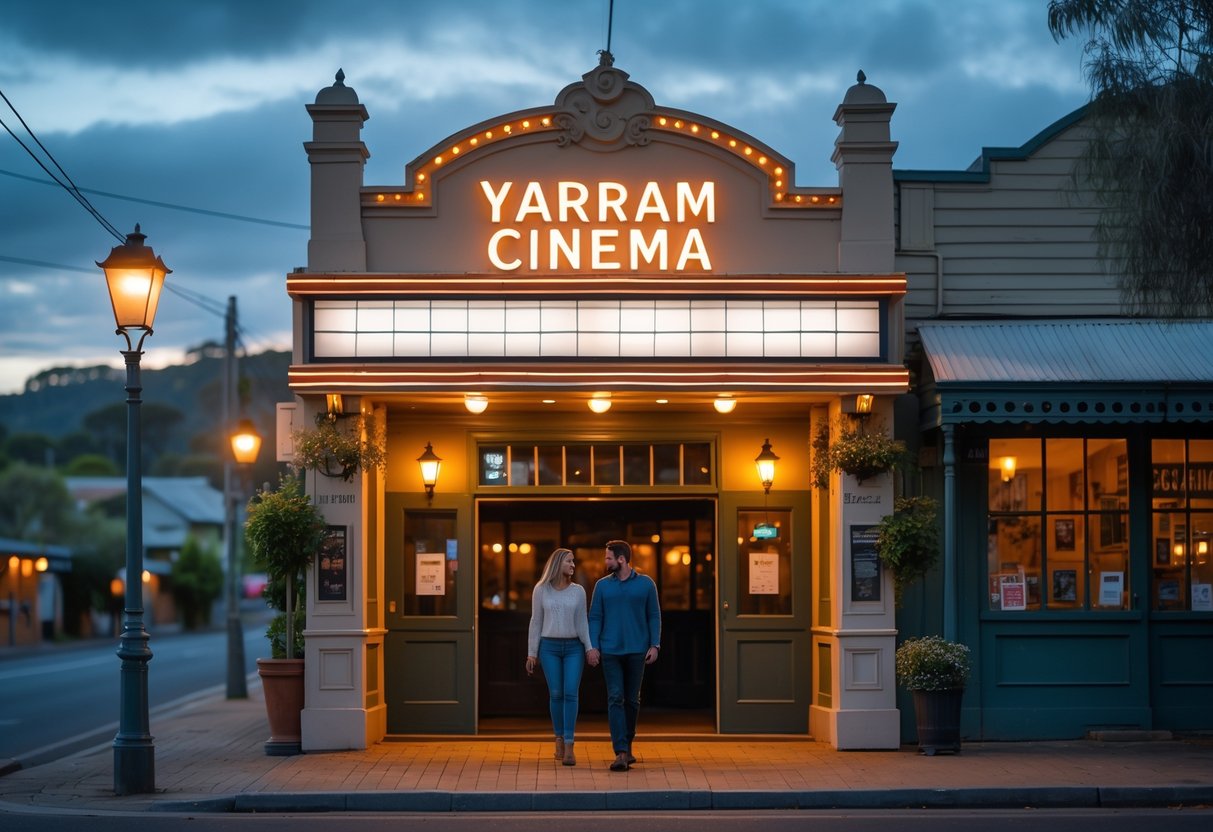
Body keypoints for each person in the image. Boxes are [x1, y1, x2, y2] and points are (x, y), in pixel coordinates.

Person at [586, 539, 661, 772]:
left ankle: (627, 746)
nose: (605, 561)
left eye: (608, 557)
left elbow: (654, 616)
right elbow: (595, 617)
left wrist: (655, 645)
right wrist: (593, 646)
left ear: (621, 559)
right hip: (610, 651)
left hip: (638, 650)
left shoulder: (647, 584)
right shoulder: (602, 586)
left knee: (632, 700)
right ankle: (619, 751)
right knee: (615, 697)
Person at [525, 547, 592, 766]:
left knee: (571, 693)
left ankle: (570, 746)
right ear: (557, 564)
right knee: (556, 693)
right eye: (569, 562)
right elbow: (535, 621)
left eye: (574, 562)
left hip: (574, 647)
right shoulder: (541, 589)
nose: (573, 565)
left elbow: (583, 621)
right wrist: (532, 653)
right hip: (549, 647)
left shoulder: (578, 591)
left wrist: (589, 648)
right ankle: (559, 741)